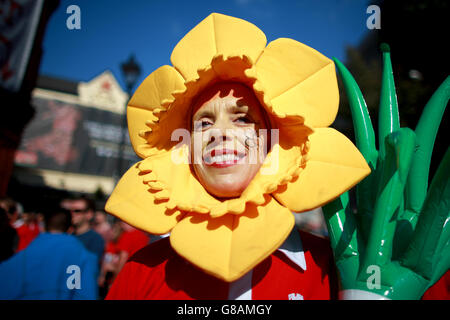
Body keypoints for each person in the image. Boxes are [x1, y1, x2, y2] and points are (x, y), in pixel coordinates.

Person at [105, 13, 371, 299]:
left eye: (242, 118)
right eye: (204, 123)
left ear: (271, 141)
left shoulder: (339, 271)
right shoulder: (141, 272)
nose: (219, 132)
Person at [0, 205, 98, 299]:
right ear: (70, 229)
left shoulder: (22, 258)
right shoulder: (85, 258)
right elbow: (86, 295)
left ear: (43, 227)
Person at [62, 196, 105, 266]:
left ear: (89, 214)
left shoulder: (95, 239)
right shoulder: (66, 235)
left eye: (77, 211)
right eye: (70, 211)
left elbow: (91, 267)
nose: (72, 214)